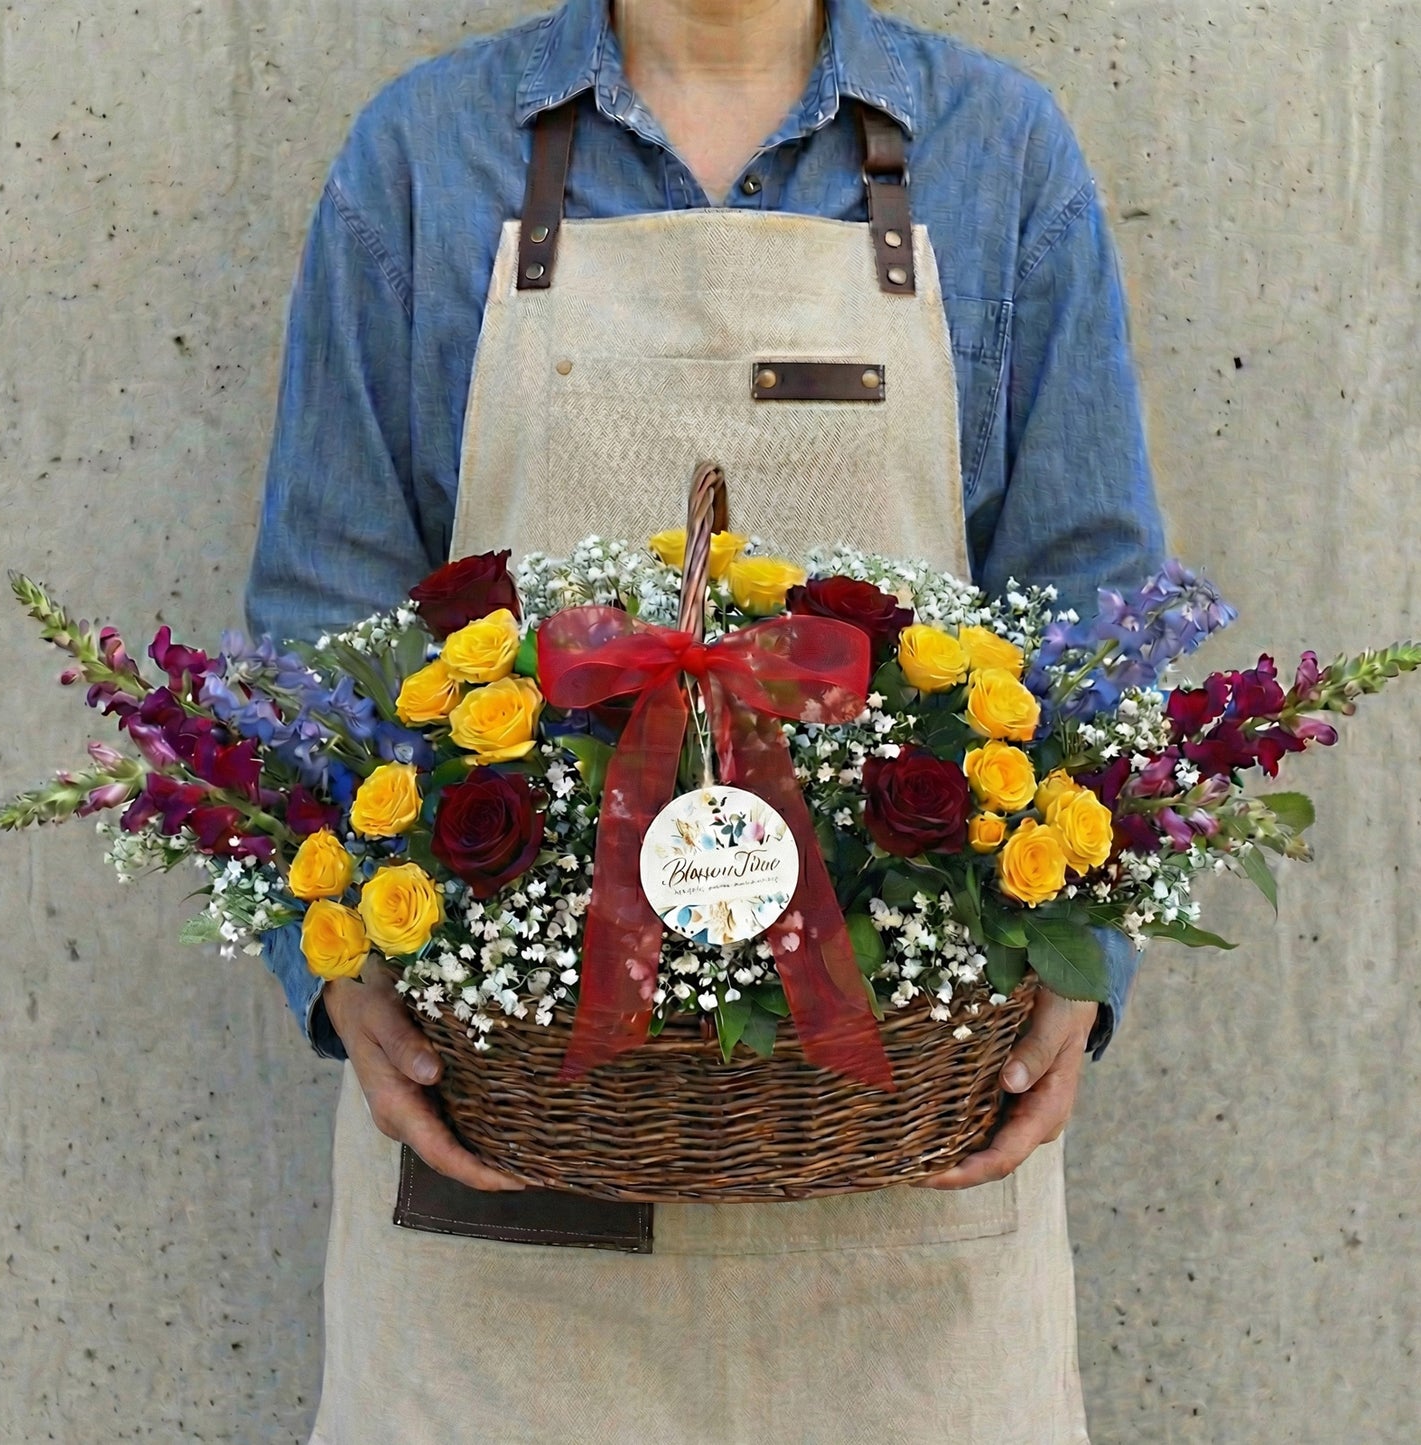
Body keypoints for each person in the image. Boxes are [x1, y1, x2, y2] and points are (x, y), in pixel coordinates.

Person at [245, 0, 1165, 1439]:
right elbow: (320, 617)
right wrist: (329, 966)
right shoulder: (428, 157)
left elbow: (1092, 603)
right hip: (512, 1199)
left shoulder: (996, 153)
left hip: (901, 1210)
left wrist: (1082, 950)